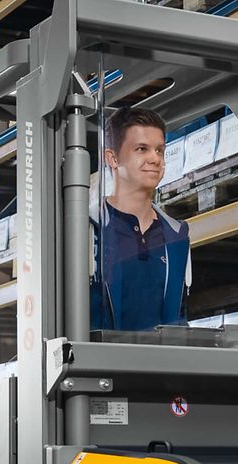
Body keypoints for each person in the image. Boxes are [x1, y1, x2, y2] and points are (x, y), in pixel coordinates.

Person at [91, 106, 192, 331]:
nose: (155, 159)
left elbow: (179, 319)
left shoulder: (177, 237)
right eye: (141, 149)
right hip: (99, 364)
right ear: (113, 158)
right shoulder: (88, 230)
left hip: (160, 366)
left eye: (159, 150)